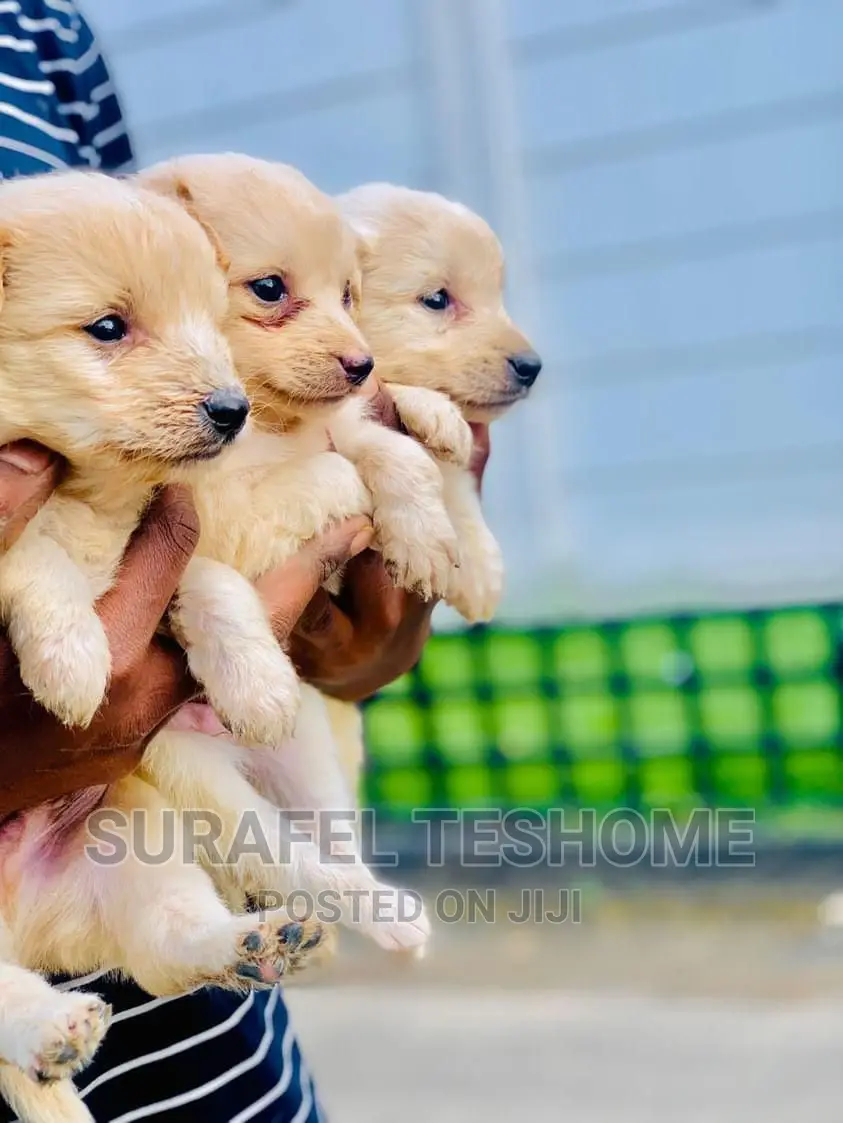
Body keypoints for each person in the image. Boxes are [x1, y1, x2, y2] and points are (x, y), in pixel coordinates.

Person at [0, 4, 490, 1119]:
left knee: (165, 865)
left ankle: (290, 893)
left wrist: (361, 616)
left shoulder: (40, 33)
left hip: (216, 1070)